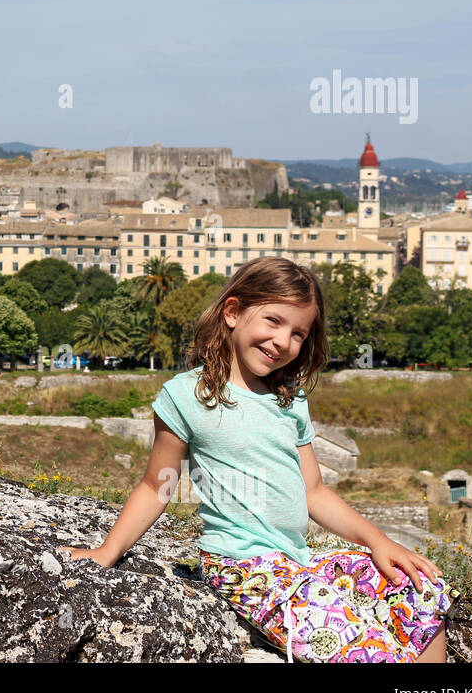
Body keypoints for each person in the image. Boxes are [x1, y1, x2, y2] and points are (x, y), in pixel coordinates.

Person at [58, 256, 452, 663]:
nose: (283, 341)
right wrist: (108, 551)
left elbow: (314, 491)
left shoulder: (290, 399)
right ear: (232, 312)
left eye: (298, 333)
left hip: (297, 559)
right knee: (362, 649)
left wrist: (380, 542)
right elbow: (157, 486)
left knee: (421, 583)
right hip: (244, 566)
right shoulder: (186, 396)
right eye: (273, 321)